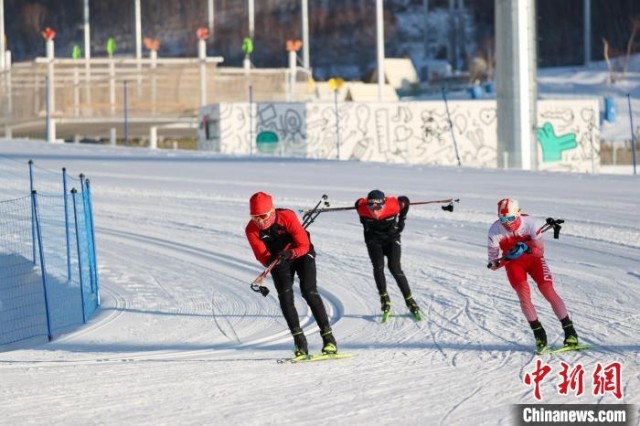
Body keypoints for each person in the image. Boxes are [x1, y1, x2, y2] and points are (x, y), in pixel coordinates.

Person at [245, 191, 338, 357]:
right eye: (254, 217)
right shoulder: (251, 229)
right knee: (285, 296)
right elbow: (262, 255)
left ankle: (328, 338)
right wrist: (272, 260)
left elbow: (303, 244)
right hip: (278, 260)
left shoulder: (287, 217)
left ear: (272, 211)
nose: (259, 221)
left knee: (309, 291)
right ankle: (299, 341)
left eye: (263, 215)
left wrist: (290, 254)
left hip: (301, 254)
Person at [487, 198, 579, 351]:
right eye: (503, 218)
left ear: (518, 213)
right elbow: (493, 264)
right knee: (524, 295)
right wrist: (506, 259)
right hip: (514, 265)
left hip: (534, 261)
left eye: (510, 218)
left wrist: (527, 249)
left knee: (548, 290)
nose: (507, 223)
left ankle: (570, 331)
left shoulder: (530, 223)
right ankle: (539, 334)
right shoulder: (494, 231)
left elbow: (540, 252)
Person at [354, 189, 420, 321]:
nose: (375, 211)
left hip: (391, 238)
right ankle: (384, 297)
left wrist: (401, 220)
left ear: (383, 204)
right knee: (378, 266)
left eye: (378, 207)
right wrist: (364, 222)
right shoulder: (362, 207)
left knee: (394, 267)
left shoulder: (393, 205)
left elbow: (405, 201)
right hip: (373, 239)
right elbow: (358, 203)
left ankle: (409, 298)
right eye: (371, 207)